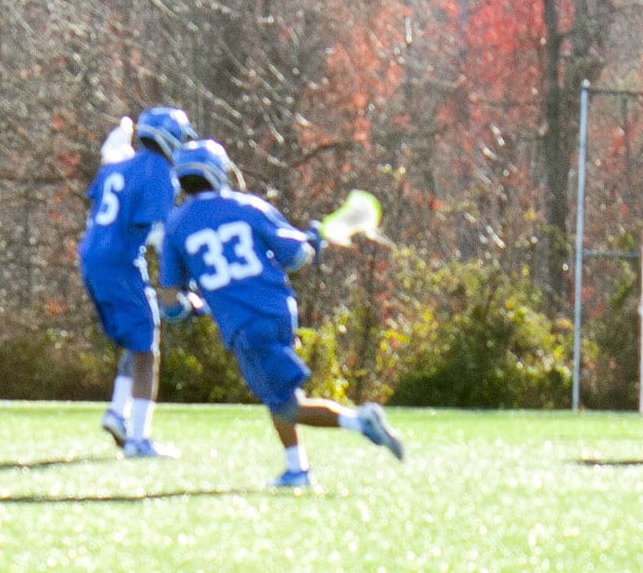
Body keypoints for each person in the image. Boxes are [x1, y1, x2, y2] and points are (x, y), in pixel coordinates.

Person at [155, 139, 405, 488]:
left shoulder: (177, 225)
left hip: (245, 323)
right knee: (279, 396)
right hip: (279, 309)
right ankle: (296, 469)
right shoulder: (249, 206)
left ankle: (359, 421)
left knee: (286, 405)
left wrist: (187, 307)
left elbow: (170, 302)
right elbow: (297, 257)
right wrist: (315, 237)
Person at [79, 106, 196, 459]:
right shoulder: (158, 170)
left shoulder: (118, 166)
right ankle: (138, 439)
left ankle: (118, 413)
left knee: (138, 337)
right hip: (120, 259)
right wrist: (184, 280)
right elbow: (161, 235)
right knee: (147, 348)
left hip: (93, 255)